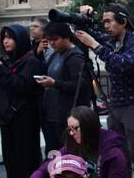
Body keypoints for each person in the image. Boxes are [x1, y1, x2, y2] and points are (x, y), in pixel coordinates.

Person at [76, 3, 134, 178]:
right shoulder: (111, 41)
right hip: (116, 106)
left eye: (109, 21)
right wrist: (84, 17)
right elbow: (86, 34)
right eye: (104, 22)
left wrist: (96, 45)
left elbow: (121, 63)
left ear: (123, 22)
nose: (106, 26)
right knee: (118, 156)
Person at [0, 24, 45, 178]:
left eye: (10, 37)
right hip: (8, 120)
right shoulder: (9, 62)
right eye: (3, 37)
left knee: (25, 165)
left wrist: (2, 69)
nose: (5, 41)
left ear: (19, 39)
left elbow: (23, 86)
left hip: (25, 121)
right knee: (11, 165)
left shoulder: (31, 62)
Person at [33, 22, 92, 153]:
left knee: (70, 153)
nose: (52, 43)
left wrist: (55, 83)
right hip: (52, 114)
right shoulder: (55, 54)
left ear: (66, 37)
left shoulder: (75, 56)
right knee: (54, 154)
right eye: (49, 40)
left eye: (55, 39)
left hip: (67, 115)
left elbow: (80, 85)